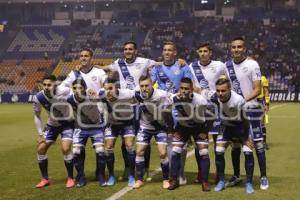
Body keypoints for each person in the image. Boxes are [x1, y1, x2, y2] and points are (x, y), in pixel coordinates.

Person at [225, 37, 269, 190]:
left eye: (239, 47)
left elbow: (257, 89)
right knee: (235, 144)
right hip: (235, 112)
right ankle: (237, 176)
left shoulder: (252, 64)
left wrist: (242, 101)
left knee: (258, 144)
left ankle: (263, 176)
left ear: (244, 48)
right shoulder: (226, 66)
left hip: (251, 110)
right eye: (233, 47)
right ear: (230, 49)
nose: (236, 49)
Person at [151, 41, 193, 185]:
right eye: (165, 50)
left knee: (182, 144)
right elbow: (149, 85)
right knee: (170, 142)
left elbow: (189, 84)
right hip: (165, 110)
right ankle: (172, 173)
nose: (167, 52)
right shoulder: (157, 68)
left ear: (175, 52)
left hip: (181, 109)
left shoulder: (182, 66)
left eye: (170, 50)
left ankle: (180, 172)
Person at [189, 42, 228, 183]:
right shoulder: (191, 67)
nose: (203, 53)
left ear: (210, 52)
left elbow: (227, 82)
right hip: (199, 110)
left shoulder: (219, 66)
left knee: (219, 144)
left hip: (217, 109)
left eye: (205, 51)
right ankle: (201, 172)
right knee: (200, 143)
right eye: (200, 51)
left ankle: (219, 173)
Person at [213, 78, 255, 194]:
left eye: (223, 91)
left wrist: (246, 138)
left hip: (241, 126)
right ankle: (221, 181)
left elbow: (245, 120)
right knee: (219, 151)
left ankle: (249, 183)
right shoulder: (214, 97)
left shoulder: (238, 100)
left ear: (229, 89)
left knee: (247, 151)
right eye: (218, 91)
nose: (220, 93)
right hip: (226, 127)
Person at [168, 78, 210, 192]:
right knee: (175, 150)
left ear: (192, 90)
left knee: (204, 152)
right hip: (183, 128)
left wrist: (205, 131)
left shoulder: (200, 100)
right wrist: (172, 130)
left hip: (199, 127)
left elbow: (211, 114)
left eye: (186, 89)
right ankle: (175, 180)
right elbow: (166, 114)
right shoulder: (173, 99)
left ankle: (205, 182)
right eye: (181, 88)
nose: (183, 91)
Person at [33, 75, 74, 188]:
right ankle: (45, 179)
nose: (46, 87)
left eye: (49, 85)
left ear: (55, 84)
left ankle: (71, 178)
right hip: (52, 125)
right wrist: (40, 134)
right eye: (44, 85)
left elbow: (76, 98)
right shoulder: (38, 97)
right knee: (41, 149)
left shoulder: (65, 91)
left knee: (65, 149)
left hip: (67, 124)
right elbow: (36, 115)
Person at [133, 74, 172, 189]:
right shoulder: (137, 94)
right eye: (142, 86)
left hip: (160, 127)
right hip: (145, 127)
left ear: (152, 85)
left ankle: (165, 179)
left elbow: (172, 102)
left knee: (163, 153)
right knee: (139, 151)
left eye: (146, 85)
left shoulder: (162, 95)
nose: (144, 88)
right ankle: (139, 179)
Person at [67, 78, 106, 187]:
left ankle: (100, 175)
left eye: (80, 88)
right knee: (75, 151)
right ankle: (81, 176)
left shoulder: (92, 95)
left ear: (84, 88)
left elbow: (104, 93)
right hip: (80, 128)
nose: (77, 90)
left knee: (100, 150)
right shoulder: (70, 99)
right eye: (74, 88)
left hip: (96, 127)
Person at [100, 72, 137, 187]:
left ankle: (131, 174)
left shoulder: (127, 94)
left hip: (127, 123)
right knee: (108, 147)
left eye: (110, 88)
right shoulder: (102, 95)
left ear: (116, 88)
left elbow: (139, 96)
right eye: (106, 89)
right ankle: (111, 175)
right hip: (112, 124)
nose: (108, 91)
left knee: (130, 146)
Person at [257, 74, 270, 150]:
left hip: (260, 102)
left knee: (261, 123)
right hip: (250, 102)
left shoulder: (262, 78)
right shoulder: (248, 77)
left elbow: (266, 91)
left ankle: (264, 142)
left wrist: (267, 103)